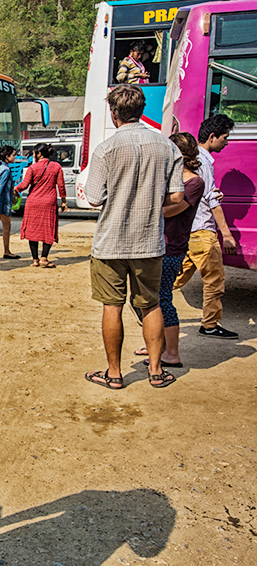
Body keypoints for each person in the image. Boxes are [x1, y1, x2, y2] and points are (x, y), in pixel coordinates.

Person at [83, 84, 183, 390]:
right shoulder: (168, 148)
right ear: (141, 110)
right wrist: (151, 204)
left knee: (112, 306)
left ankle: (114, 373)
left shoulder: (106, 149)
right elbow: (177, 196)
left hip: (110, 242)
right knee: (150, 305)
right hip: (150, 242)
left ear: (114, 114)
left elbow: (93, 197)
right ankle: (156, 370)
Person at [133, 132, 204, 367]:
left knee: (162, 299)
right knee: (142, 299)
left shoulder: (193, 182)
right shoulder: (167, 178)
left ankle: (171, 353)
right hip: (153, 245)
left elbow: (170, 210)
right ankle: (156, 343)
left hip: (171, 248)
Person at [173, 114, 238, 339]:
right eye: (225, 137)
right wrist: (227, 235)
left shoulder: (190, 160)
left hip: (188, 231)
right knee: (214, 281)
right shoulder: (204, 161)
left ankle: (149, 304)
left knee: (175, 277)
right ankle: (210, 323)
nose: (226, 142)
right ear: (212, 137)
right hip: (203, 231)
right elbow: (212, 201)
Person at [14, 142, 68, 268]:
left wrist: (15, 189)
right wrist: (64, 201)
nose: (33, 155)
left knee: (33, 231)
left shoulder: (33, 168)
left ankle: (35, 260)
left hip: (33, 202)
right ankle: (44, 258)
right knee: (48, 229)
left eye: (34, 153)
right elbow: (61, 186)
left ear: (39, 154)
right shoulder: (56, 167)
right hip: (49, 202)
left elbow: (24, 185)